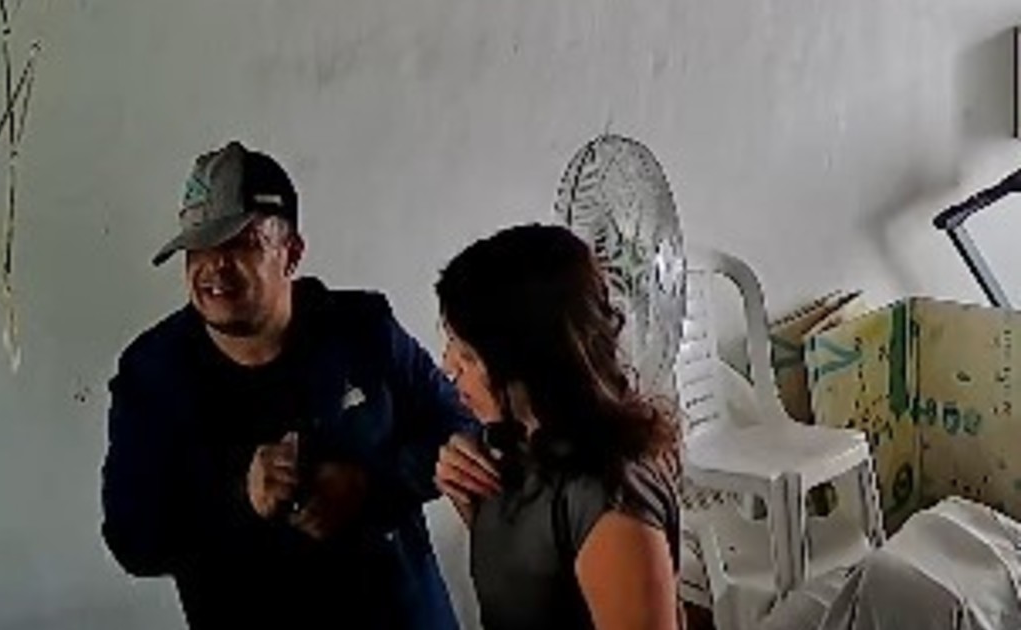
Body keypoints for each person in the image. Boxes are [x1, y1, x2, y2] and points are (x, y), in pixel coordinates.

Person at [101, 140, 474, 629]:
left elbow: (460, 426)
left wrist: (370, 485)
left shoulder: (363, 328)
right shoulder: (153, 375)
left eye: (240, 243)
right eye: (198, 248)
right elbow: (132, 539)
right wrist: (242, 500)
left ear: (291, 253)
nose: (214, 267)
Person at [432, 224, 683, 630]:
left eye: (469, 356)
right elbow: (532, 587)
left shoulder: (606, 496)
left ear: (530, 360)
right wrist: (470, 497)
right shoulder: (513, 446)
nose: (448, 366)